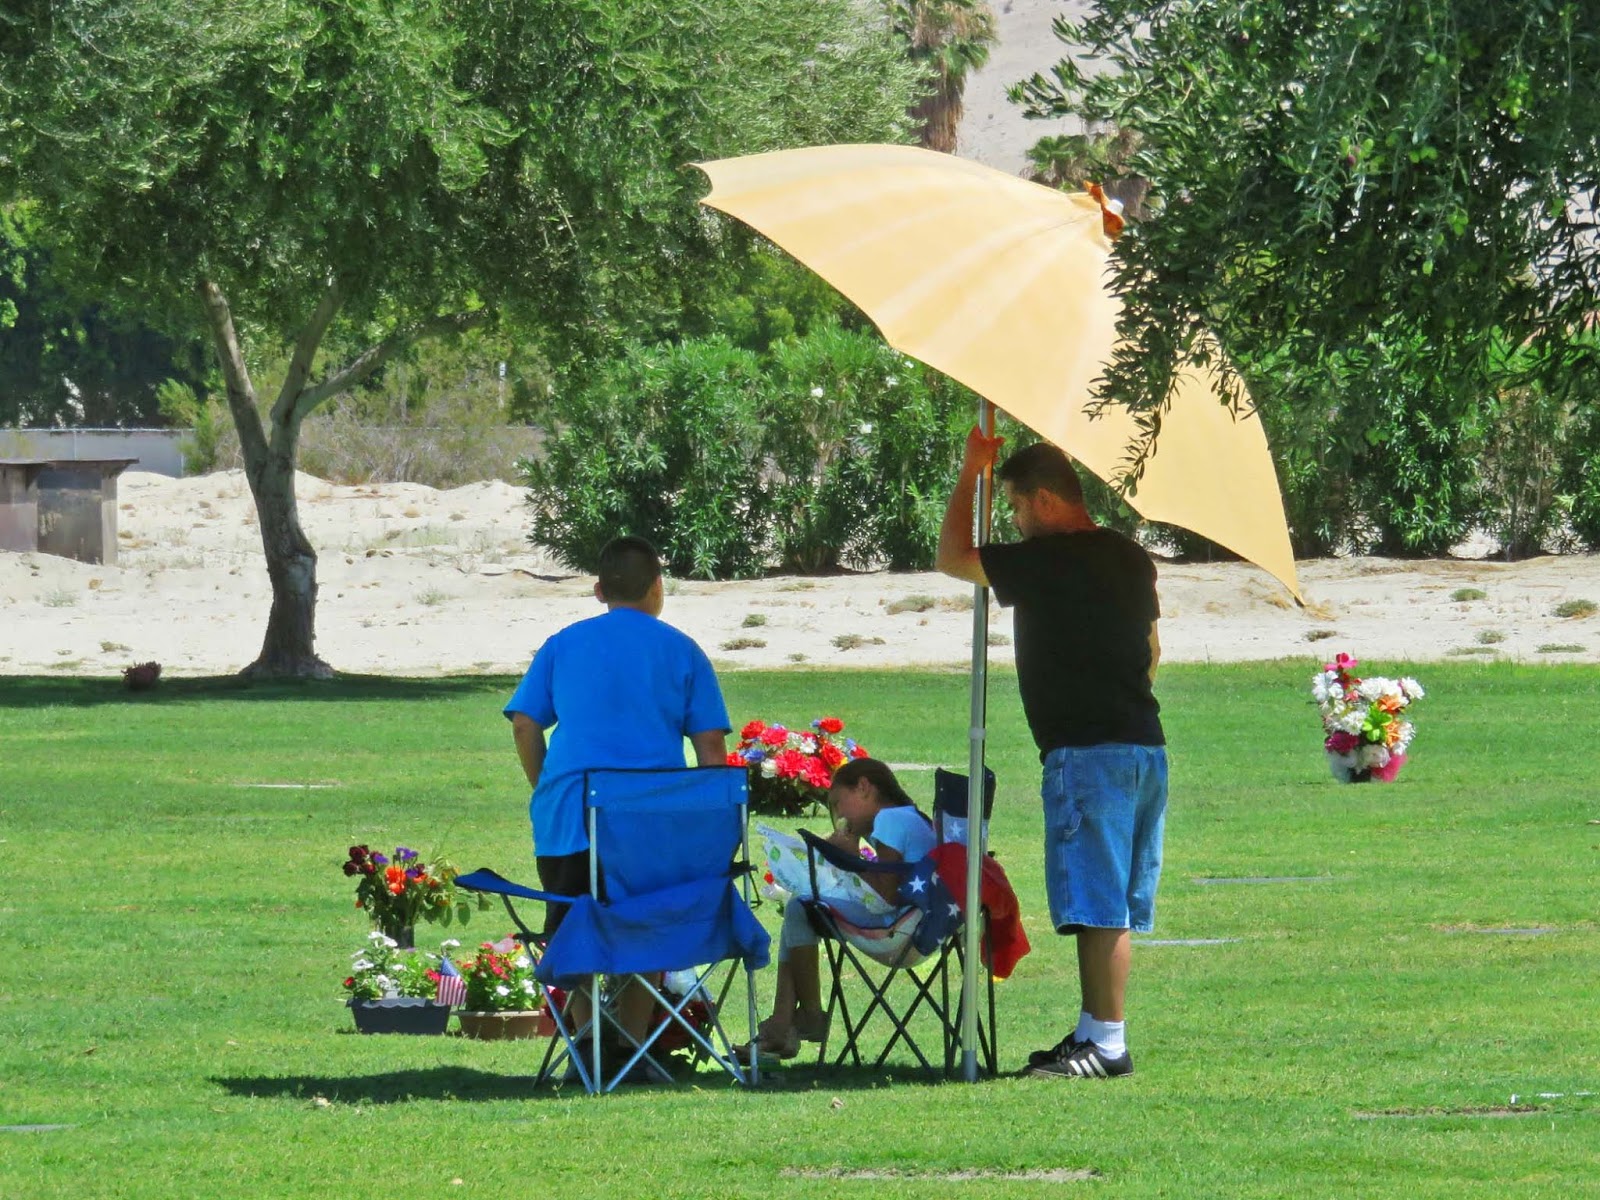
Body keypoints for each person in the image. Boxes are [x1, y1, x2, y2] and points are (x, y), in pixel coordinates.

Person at [936, 428, 1166, 1080]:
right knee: (1111, 902)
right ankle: (1093, 1030)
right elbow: (1152, 650)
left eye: (1014, 505)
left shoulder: (1044, 561)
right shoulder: (1129, 556)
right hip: (1144, 746)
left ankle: (1108, 1042)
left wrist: (971, 471)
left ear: (1043, 500)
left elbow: (952, 558)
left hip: (1088, 752)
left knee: (1097, 904)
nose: (1012, 519)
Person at [505, 534, 731, 1060]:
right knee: (648, 928)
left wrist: (546, 787)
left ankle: (588, 1046)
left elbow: (524, 724)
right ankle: (631, 1045)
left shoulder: (563, 644)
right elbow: (711, 749)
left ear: (599, 590)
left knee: (574, 926)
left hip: (569, 816)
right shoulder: (682, 649)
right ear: (658, 588)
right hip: (653, 822)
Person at [740, 758, 935, 1060]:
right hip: (922, 927)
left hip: (897, 930)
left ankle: (806, 1017)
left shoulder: (890, 819)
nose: (838, 815)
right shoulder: (913, 817)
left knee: (799, 907)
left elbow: (886, 894)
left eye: (837, 804)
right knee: (802, 907)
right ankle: (783, 1025)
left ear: (864, 787)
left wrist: (850, 858)